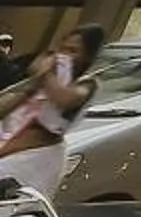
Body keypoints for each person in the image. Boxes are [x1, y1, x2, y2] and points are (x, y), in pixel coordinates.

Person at [0, 24, 105, 199]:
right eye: (62, 49)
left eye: (73, 51)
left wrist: (46, 74)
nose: (64, 55)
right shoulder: (40, 82)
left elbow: (66, 99)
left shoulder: (87, 85)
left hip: (35, 158)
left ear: (87, 57)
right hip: (11, 143)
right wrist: (34, 83)